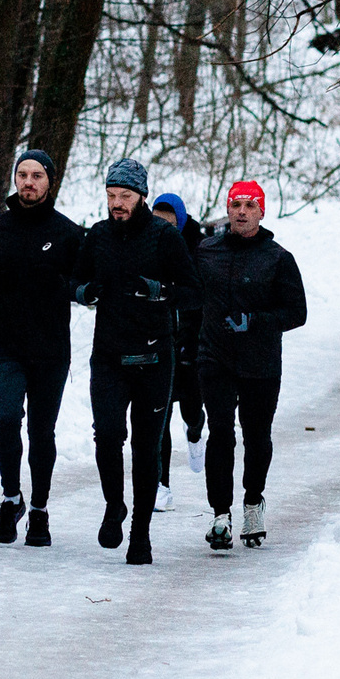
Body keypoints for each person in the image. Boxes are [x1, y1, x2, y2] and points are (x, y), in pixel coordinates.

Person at [72, 158, 198, 564]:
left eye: (125, 196)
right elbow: (73, 280)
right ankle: (114, 506)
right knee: (107, 436)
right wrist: (84, 292)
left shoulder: (164, 237)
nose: (117, 203)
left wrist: (161, 291)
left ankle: (141, 533)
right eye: (111, 195)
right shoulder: (98, 235)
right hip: (109, 356)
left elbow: (193, 292)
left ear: (142, 195)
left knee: (146, 448)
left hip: (154, 357)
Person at [0, 148, 84, 547]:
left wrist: (66, 287)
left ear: (50, 181)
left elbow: (83, 279)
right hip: (5, 344)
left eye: (37, 176)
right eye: (22, 175)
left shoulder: (68, 232)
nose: (28, 182)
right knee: (5, 421)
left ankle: (39, 510)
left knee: (41, 431)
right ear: (15, 180)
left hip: (50, 349)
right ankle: (11, 498)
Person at [193, 180, 307, 552]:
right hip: (215, 356)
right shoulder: (206, 251)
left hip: (260, 362)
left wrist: (255, 321)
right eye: (236, 205)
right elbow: (188, 292)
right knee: (220, 433)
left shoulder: (278, 258)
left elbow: (297, 312)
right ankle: (220, 515)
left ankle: (253, 503)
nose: (242, 211)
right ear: (227, 210)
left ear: (262, 211)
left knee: (256, 435)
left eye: (250, 205)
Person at [150, 192, 207, 512]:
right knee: (160, 415)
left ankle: (196, 432)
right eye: (157, 220)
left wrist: (193, 338)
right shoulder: (149, 244)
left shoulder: (198, 248)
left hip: (192, 340)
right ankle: (161, 484)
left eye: (169, 222)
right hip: (160, 340)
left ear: (181, 221)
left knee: (191, 408)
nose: (163, 227)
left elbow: (201, 297)